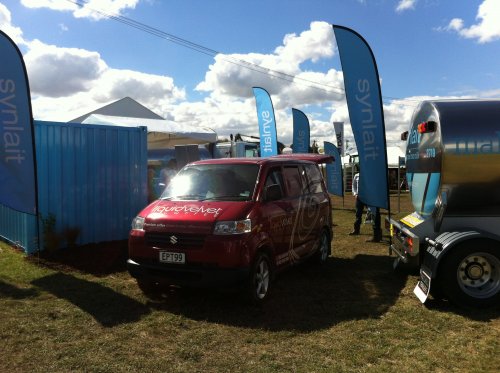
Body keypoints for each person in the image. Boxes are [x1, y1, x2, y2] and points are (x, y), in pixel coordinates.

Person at [349, 169, 382, 242]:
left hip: (370, 197)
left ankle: (377, 235)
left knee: (374, 214)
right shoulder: (356, 175)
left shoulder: (371, 175)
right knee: (358, 214)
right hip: (359, 198)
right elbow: (354, 186)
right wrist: (355, 194)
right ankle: (356, 230)